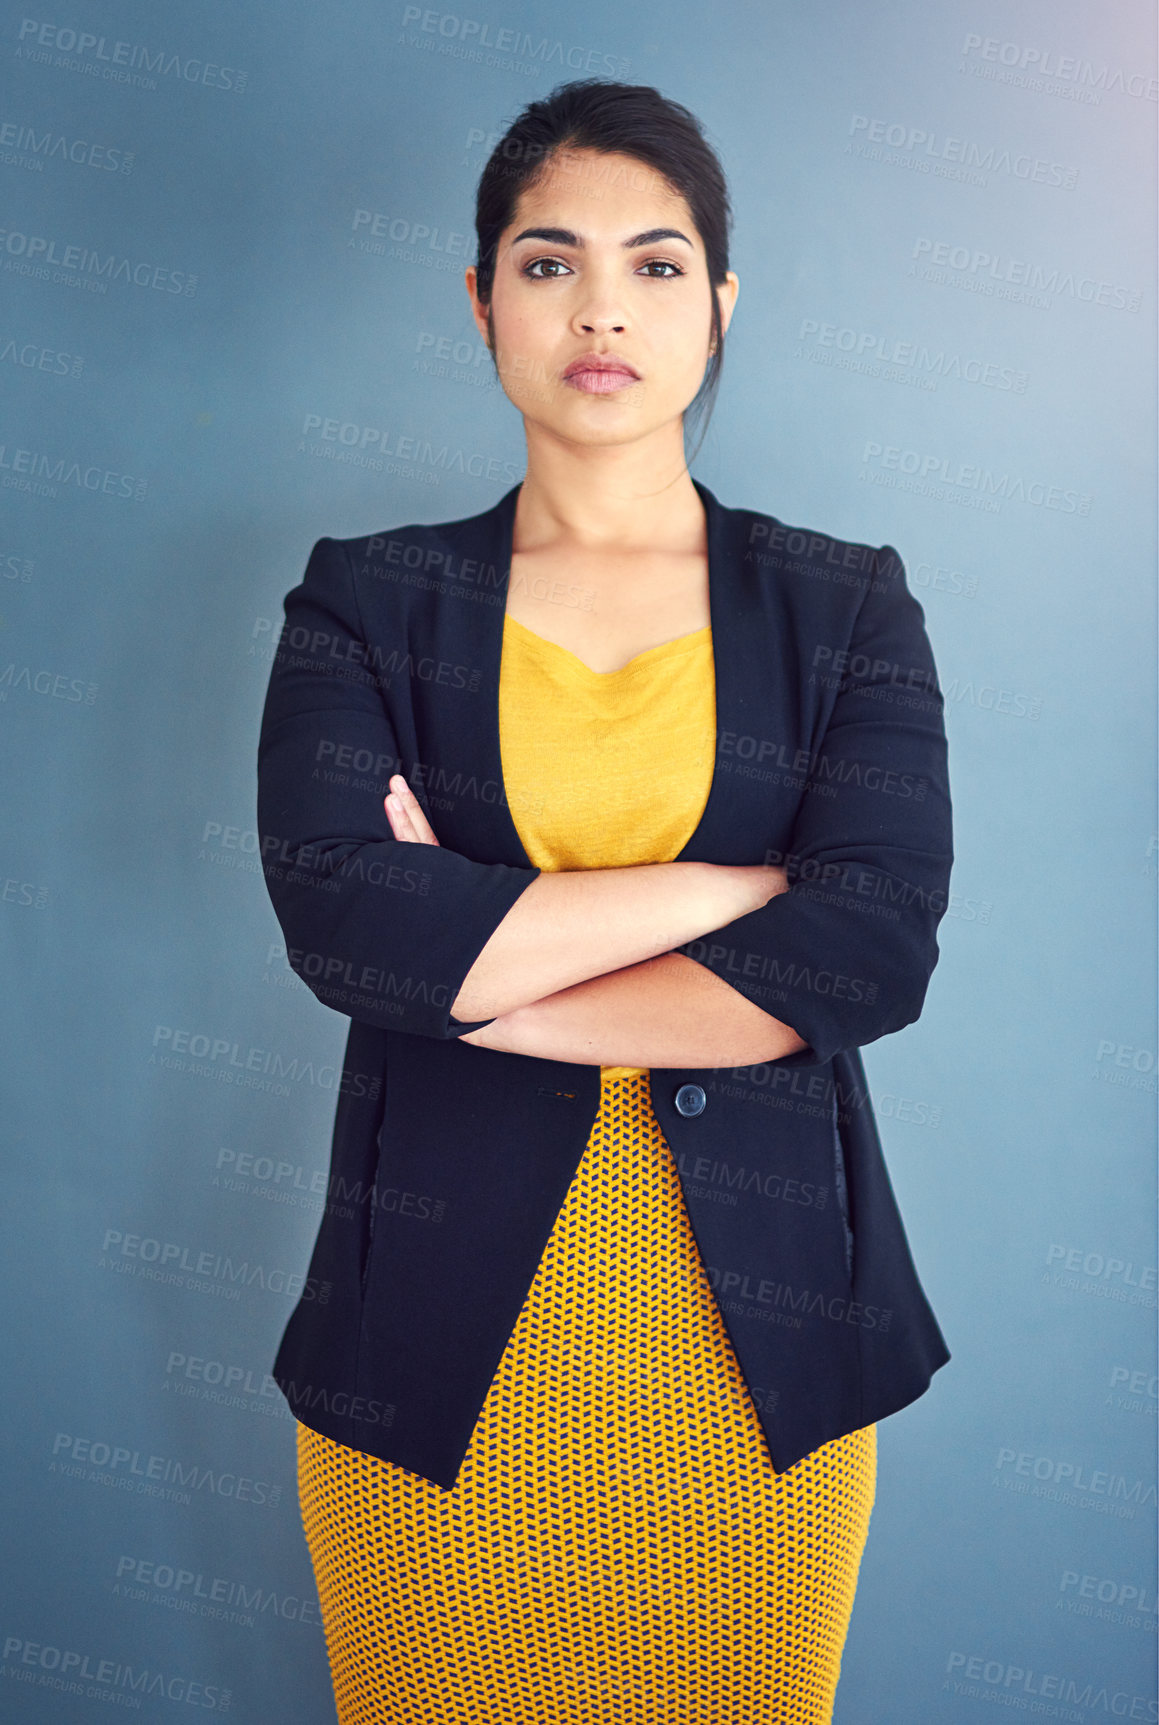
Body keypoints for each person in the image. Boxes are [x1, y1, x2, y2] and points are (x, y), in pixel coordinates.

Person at [257, 77, 954, 1725]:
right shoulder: (368, 600)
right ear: (483, 295)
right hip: (434, 1354)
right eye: (548, 259)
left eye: (655, 265)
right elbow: (351, 923)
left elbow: (867, 944)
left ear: (719, 304)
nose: (601, 309)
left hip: (757, 1364)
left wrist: (491, 977)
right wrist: (733, 886)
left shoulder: (845, 603)